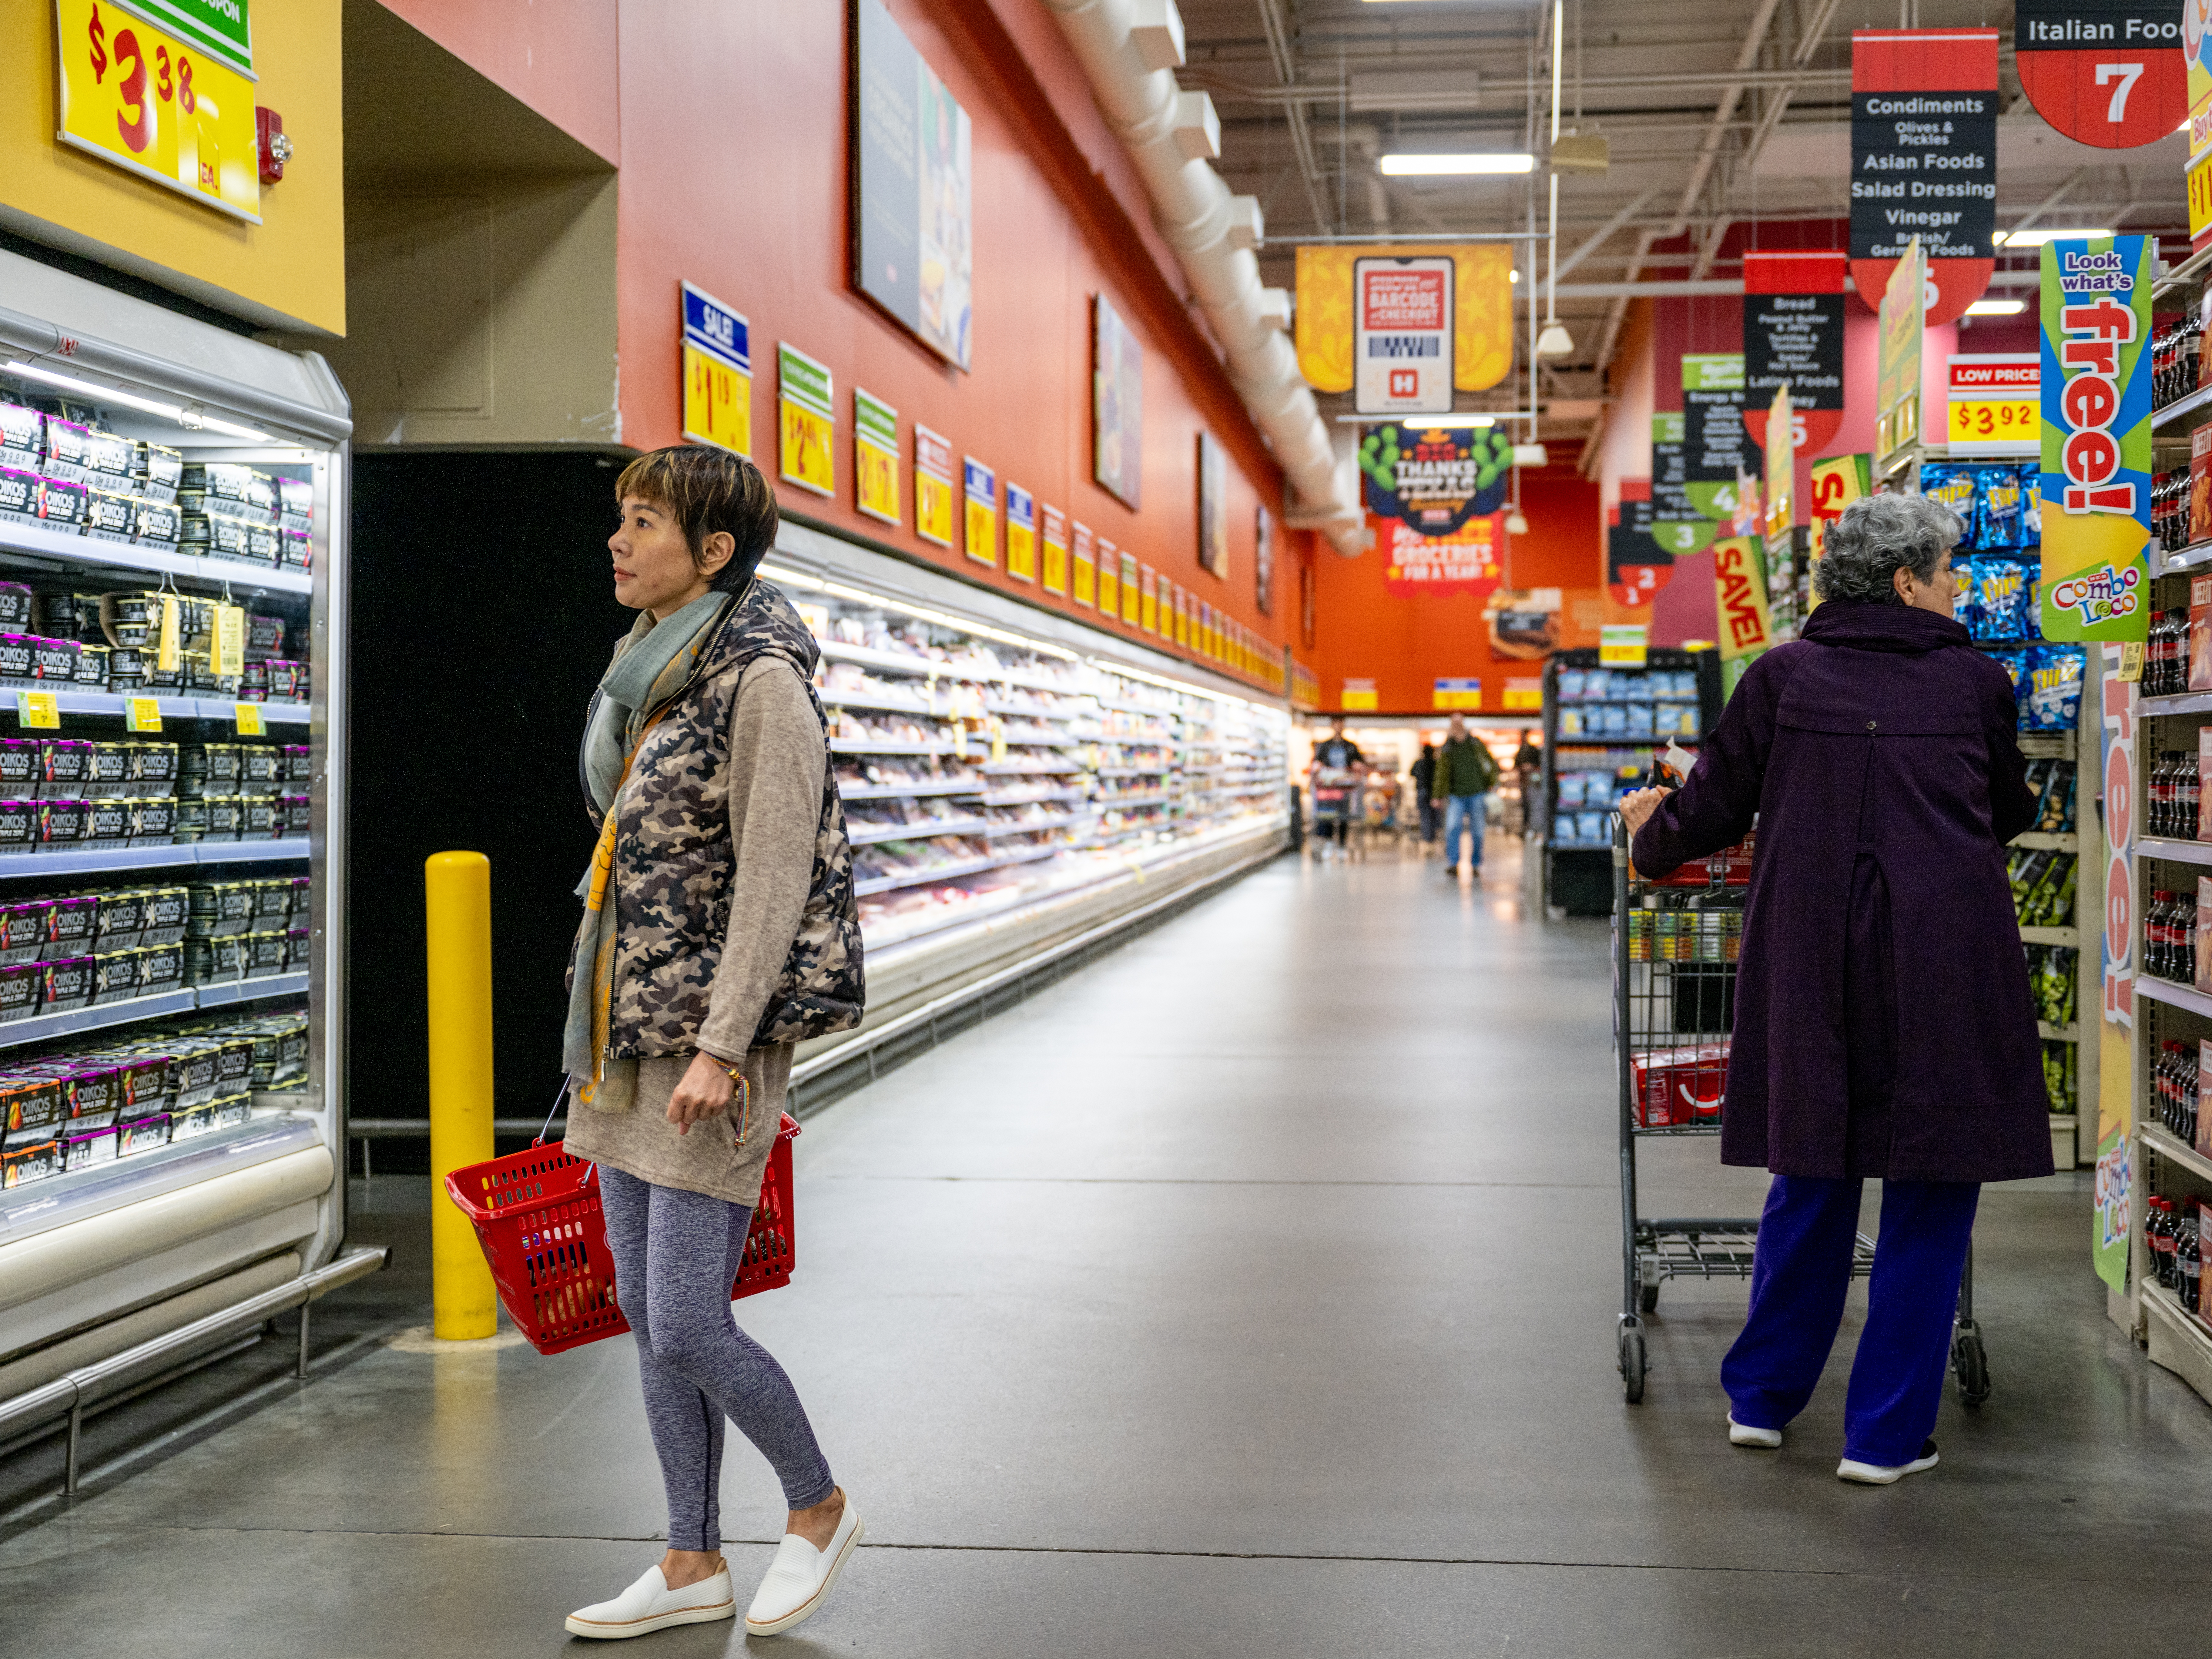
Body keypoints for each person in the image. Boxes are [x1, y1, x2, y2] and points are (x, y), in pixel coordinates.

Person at [1618, 492, 2050, 1486]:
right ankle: (1884, 1437)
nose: (1960, 588)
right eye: (1949, 572)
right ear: (1906, 582)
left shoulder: (1779, 677)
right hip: (1943, 959)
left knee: (1809, 1171)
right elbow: (2003, 813)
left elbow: (1711, 808)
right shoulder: (1976, 684)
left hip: (1810, 958)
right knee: (1932, 1189)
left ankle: (1760, 1403)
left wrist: (1650, 834)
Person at [561, 445, 869, 1639]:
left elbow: (778, 882)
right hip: (627, 1031)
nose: (619, 540)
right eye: (622, 518)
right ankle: (691, 1559)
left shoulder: (760, 687)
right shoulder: (652, 680)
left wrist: (726, 1045)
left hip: (707, 1047)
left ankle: (818, 1504)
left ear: (715, 552)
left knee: (690, 1318)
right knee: (647, 1308)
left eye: (645, 522)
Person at [1431, 713, 1499, 876]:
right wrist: (1437, 796)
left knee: (1478, 831)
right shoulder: (1447, 748)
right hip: (1456, 795)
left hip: (1478, 793)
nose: (1457, 726)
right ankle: (1453, 863)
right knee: (1453, 828)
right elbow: (1441, 773)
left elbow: (1490, 764)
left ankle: (1475, 864)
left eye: (1459, 723)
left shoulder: (1476, 744)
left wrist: (1493, 783)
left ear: (1464, 724)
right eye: (1454, 724)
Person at [1308, 715, 1365, 855]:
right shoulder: (1325, 746)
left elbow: (1361, 763)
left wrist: (1357, 770)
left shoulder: (1350, 746)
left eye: (1341, 724)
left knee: (1344, 815)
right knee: (1328, 815)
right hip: (1329, 788)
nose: (1338, 726)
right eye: (1336, 724)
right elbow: (1316, 763)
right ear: (1332, 726)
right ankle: (1328, 843)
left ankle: (1342, 844)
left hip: (1345, 788)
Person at [1512, 734, 1542, 837]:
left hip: (1534, 783)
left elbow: (1540, 764)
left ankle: (1533, 829)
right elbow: (1516, 766)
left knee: (1534, 806)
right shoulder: (1522, 751)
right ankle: (1526, 828)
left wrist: (1531, 767)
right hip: (1525, 783)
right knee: (1526, 806)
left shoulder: (1533, 750)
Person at [1411, 742, 1439, 846]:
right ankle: (1431, 838)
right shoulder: (1436, 763)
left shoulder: (1419, 763)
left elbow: (1412, 773)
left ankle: (1427, 839)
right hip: (1433, 793)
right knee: (1433, 816)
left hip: (1423, 791)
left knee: (1425, 816)